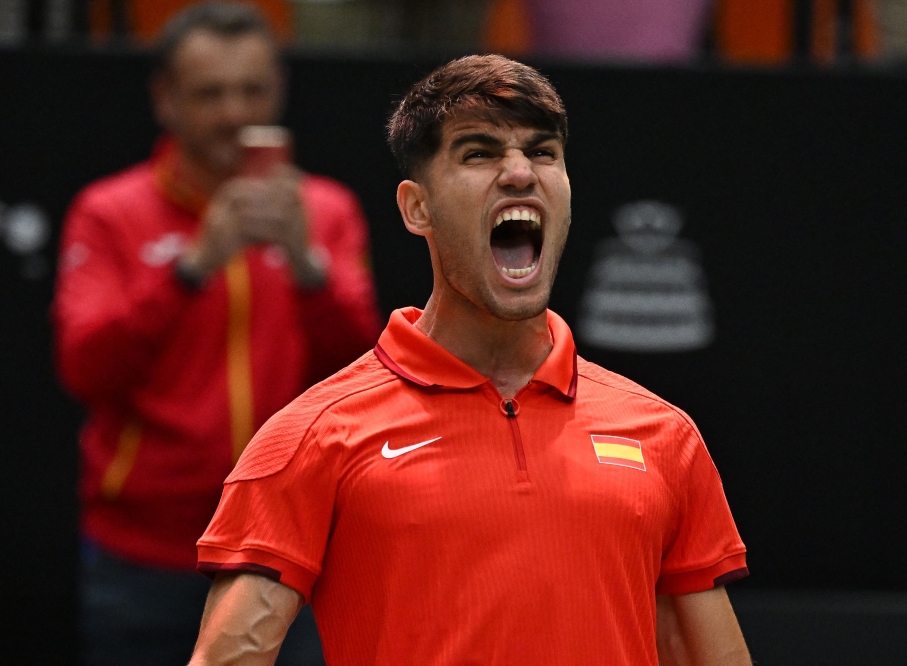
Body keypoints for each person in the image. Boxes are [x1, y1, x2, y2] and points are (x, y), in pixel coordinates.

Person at [189, 54, 751, 666]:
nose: (518, 173)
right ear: (416, 208)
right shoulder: (311, 437)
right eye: (478, 153)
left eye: (542, 152)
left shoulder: (664, 436)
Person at [52, 3, 381, 665]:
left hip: (291, 553)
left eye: (252, 91)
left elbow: (362, 376)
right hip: (145, 558)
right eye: (210, 94)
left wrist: (307, 267)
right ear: (166, 100)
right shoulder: (110, 212)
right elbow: (85, 369)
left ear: (278, 92)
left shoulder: (325, 211)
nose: (234, 112)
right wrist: (192, 267)